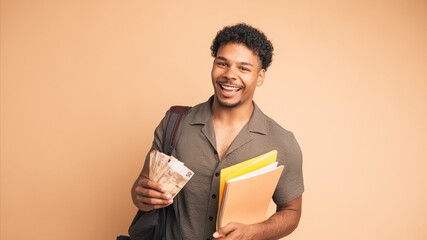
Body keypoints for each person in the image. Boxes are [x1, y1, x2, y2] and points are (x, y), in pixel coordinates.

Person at [131, 23, 304, 240]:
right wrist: (141, 196)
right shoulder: (174, 123)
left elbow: (291, 212)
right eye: (222, 63)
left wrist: (254, 232)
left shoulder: (282, 142)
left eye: (243, 68)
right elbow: (141, 187)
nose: (230, 75)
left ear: (260, 77)